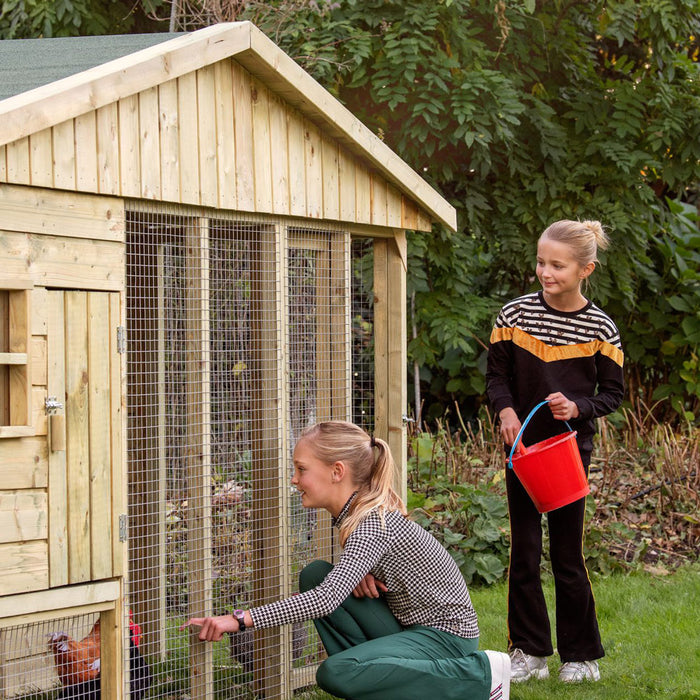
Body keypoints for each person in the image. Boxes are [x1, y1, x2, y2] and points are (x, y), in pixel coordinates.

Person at [182, 420, 510, 700]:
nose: (294, 480)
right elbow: (333, 584)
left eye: (301, 469)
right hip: (413, 629)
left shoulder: (369, 525)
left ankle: (481, 676)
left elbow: (326, 600)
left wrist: (237, 619)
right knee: (315, 573)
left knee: (334, 673)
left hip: (446, 639)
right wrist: (363, 570)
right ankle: (377, 685)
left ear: (337, 471)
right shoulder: (359, 515)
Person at [486, 219, 624, 684]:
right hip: (521, 451)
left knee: (567, 553)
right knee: (524, 549)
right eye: (542, 262)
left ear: (586, 268)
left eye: (557, 265)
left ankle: (580, 658)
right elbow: (496, 377)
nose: (546, 272)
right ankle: (529, 652)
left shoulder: (601, 327)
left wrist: (578, 407)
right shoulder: (514, 316)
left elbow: (613, 395)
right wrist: (505, 412)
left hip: (568, 454)